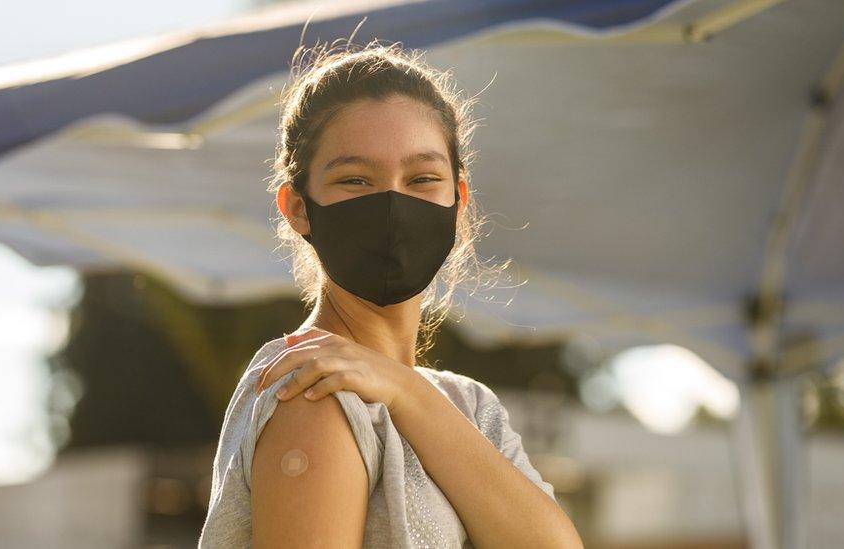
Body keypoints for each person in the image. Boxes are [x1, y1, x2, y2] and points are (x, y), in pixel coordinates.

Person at [198, 39, 583, 548]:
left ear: (458, 199)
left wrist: (406, 391)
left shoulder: (469, 406)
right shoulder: (313, 388)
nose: (394, 205)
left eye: (423, 178)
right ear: (297, 207)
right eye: (356, 180)